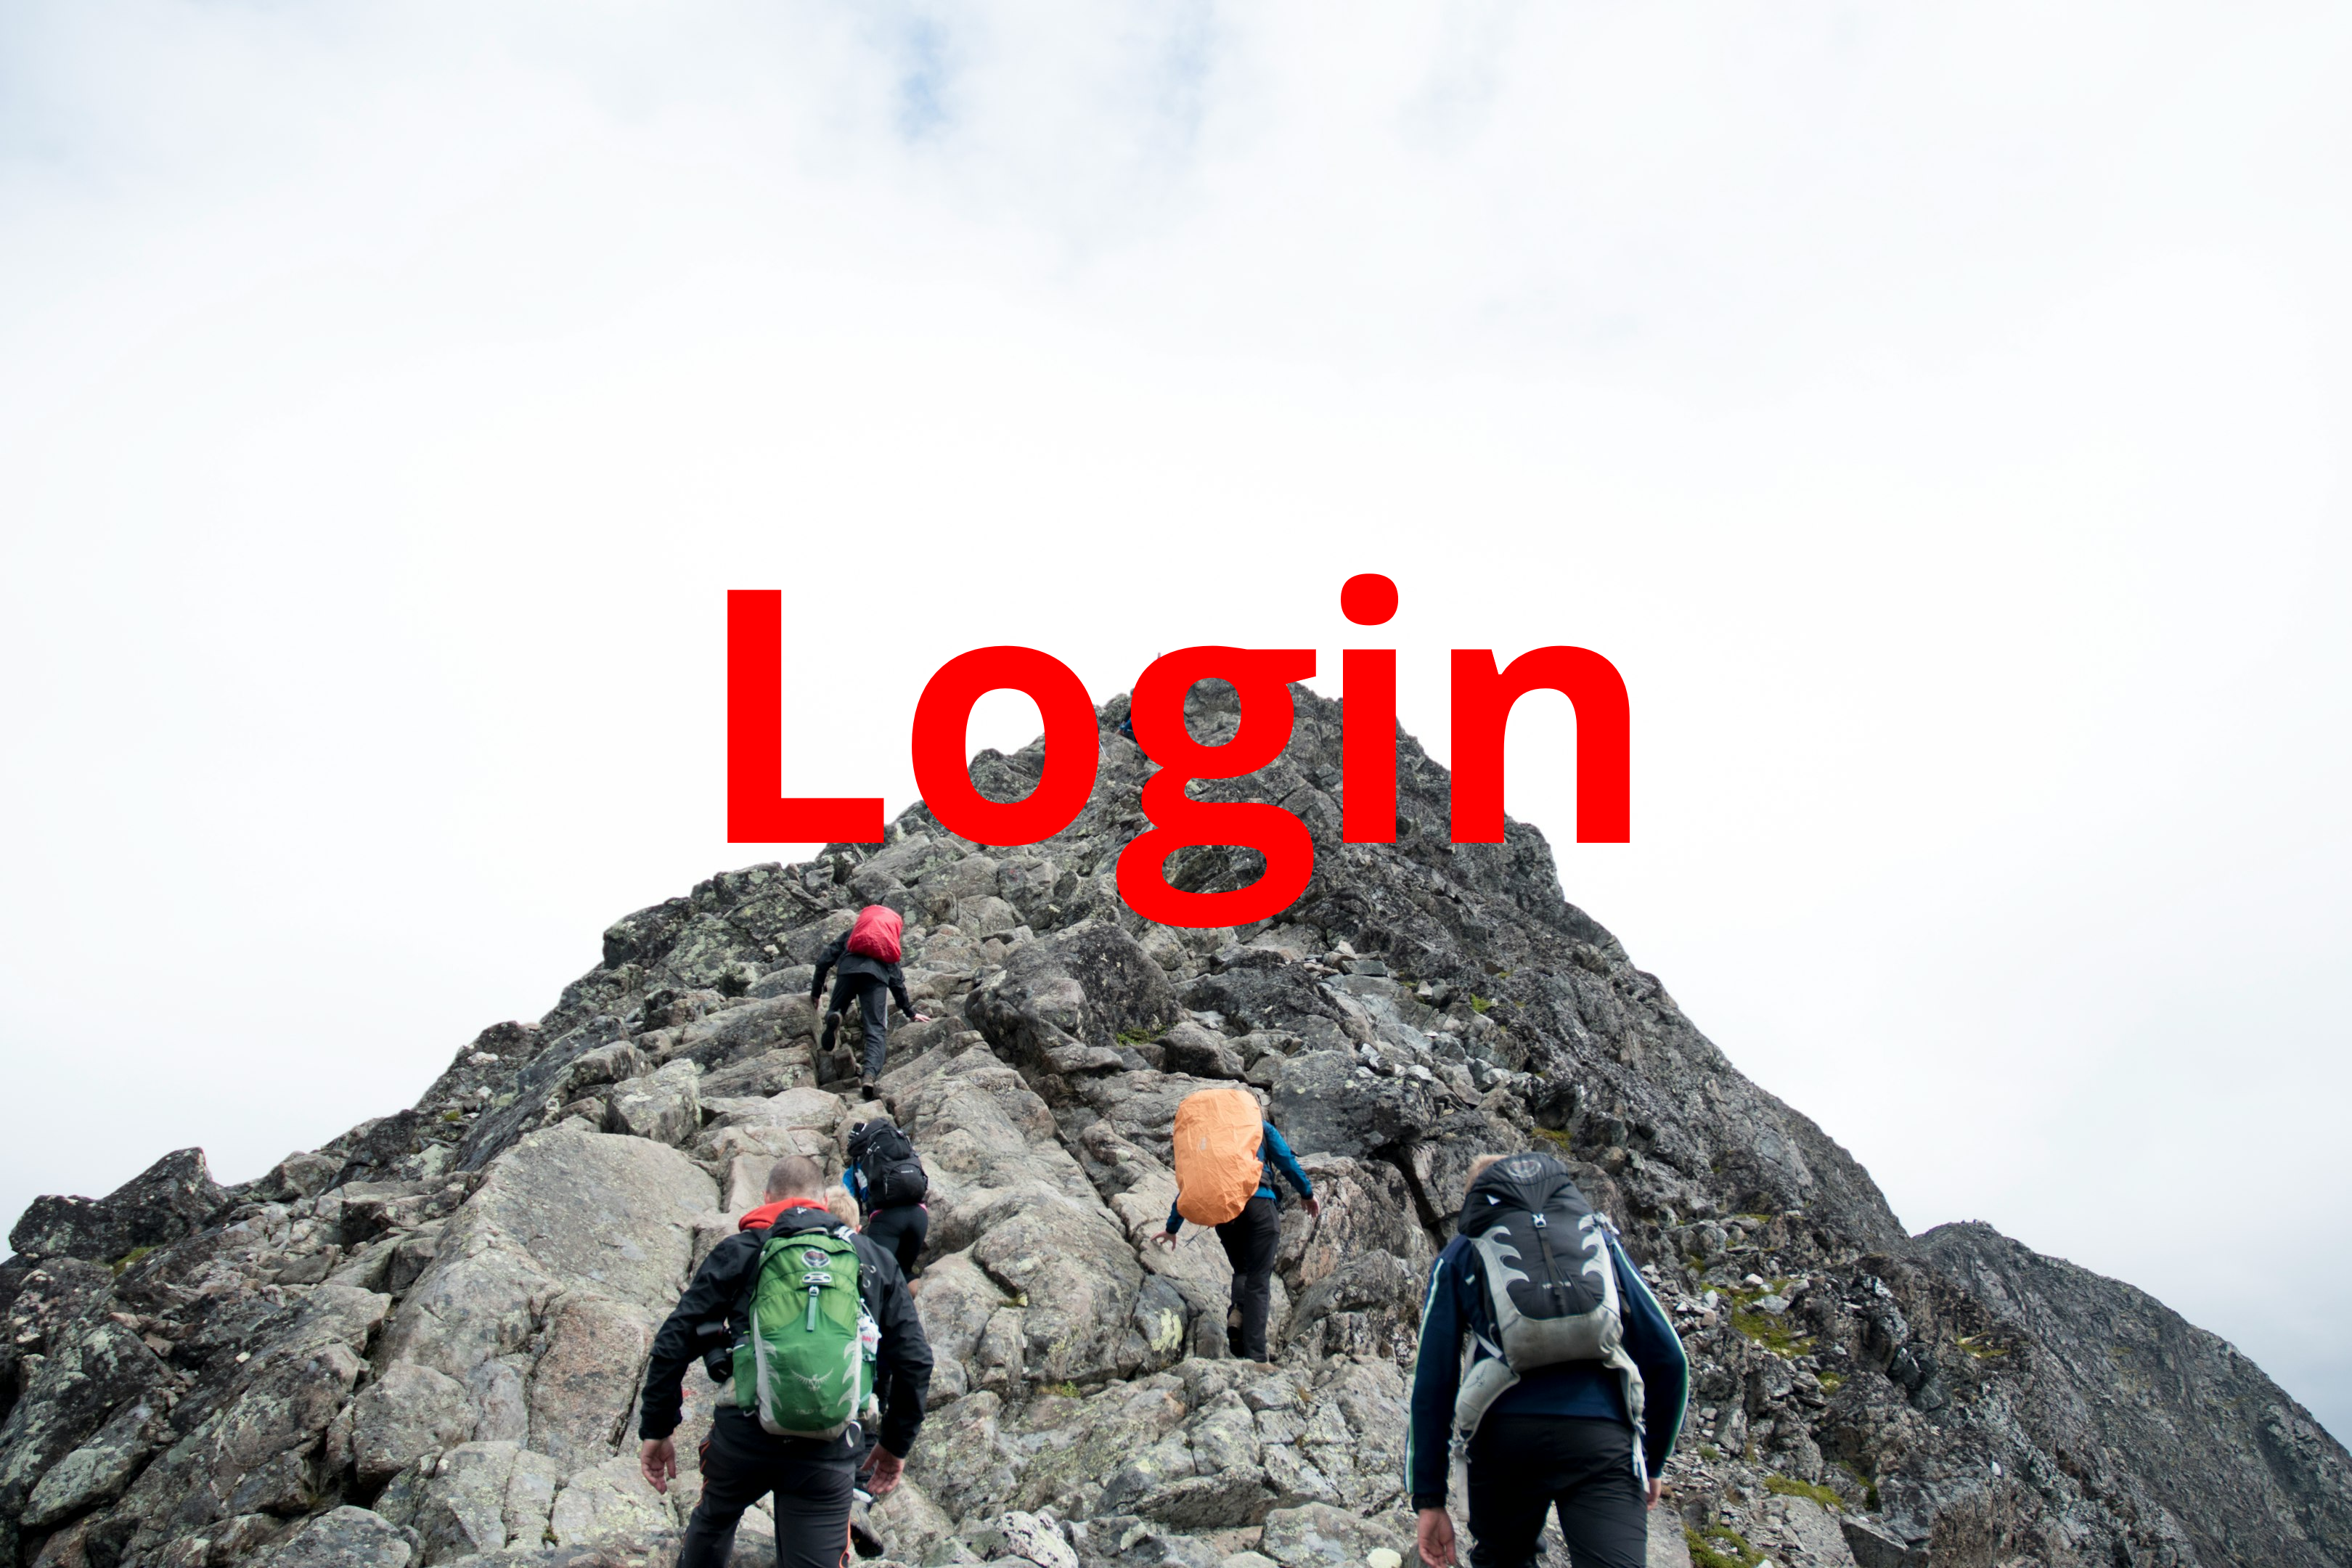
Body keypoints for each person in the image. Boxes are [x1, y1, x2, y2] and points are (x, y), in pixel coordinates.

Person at [639, 1154, 934, 1568]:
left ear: (766, 1198)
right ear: (822, 1201)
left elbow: (673, 1341)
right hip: (828, 1445)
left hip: (743, 1438)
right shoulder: (870, 1257)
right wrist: (893, 1445)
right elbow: (915, 1360)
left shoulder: (742, 1250)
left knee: (716, 1517)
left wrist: (657, 1428)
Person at [1405, 1152, 1689, 1568]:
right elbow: (1670, 1357)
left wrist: (1428, 1497)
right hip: (1601, 1437)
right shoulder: (1597, 1238)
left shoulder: (1461, 1252)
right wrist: (1652, 1460)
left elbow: (1433, 1381)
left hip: (1503, 1438)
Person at [1151, 1112, 1319, 1365]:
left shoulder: (1211, 1138)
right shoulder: (1258, 1126)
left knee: (1243, 1269)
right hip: (1260, 1206)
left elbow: (1194, 1185)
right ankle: (1257, 1359)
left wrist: (1172, 1228)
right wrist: (1307, 1193)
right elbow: (1287, 1163)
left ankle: (1238, 1315)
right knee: (1259, 1280)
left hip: (1225, 1213)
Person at [811, 905, 930, 1100]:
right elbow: (897, 982)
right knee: (875, 1029)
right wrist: (910, 1012)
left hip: (847, 971)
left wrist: (816, 991)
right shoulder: (887, 943)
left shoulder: (853, 935)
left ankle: (835, 1015)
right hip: (876, 979)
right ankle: (869, 1075)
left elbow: (824, 960)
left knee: (836, 1008)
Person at [844, 1117, 930, 1281]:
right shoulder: (903, 1150)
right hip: (919, 1215)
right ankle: (924, 1303)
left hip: (887, 1219)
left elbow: (846, 1206)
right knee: (904, 1273)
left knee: (876, 1277)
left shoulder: (856, 1166)